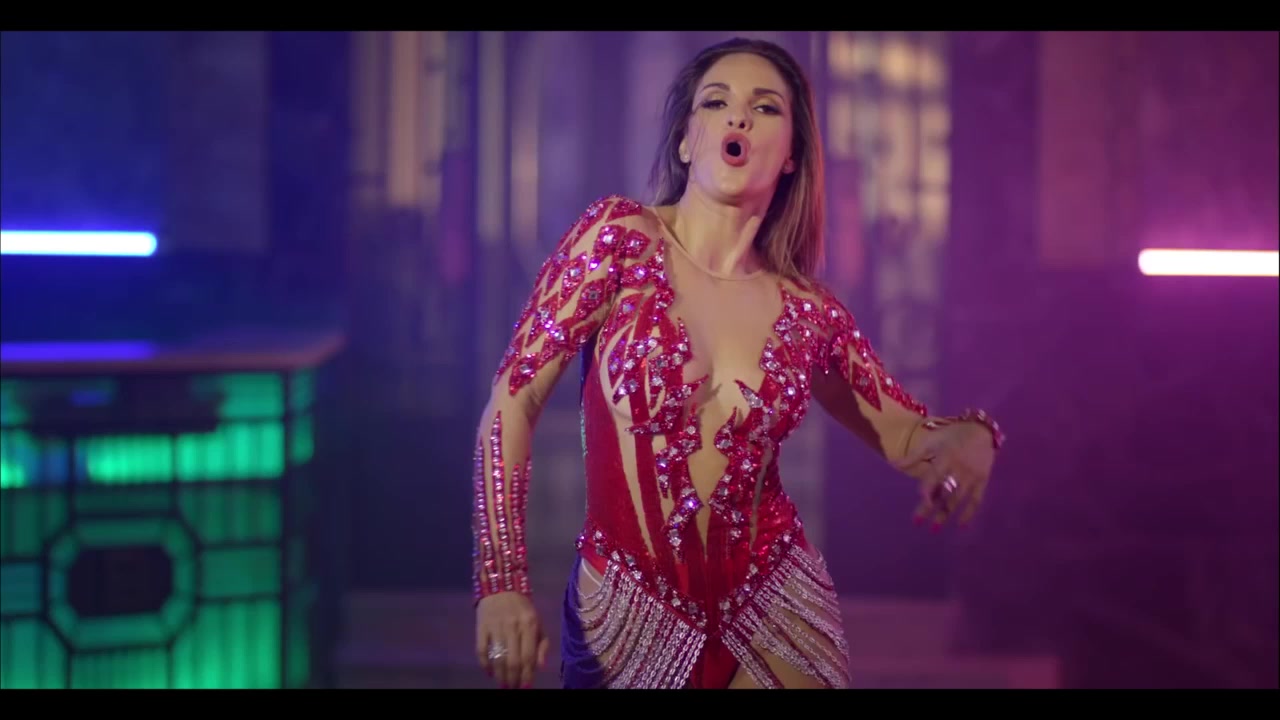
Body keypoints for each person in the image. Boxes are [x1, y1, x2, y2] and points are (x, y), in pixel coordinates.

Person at [470, 36, 1004, 690]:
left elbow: (911, 434)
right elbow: (514, 399)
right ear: (686, 141)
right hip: (627, 608)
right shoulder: (618, 242)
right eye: (716, 102)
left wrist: (973, 436)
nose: (739, 118)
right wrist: (501, 581)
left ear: (792, 155)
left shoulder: (809, 311)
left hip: (777, 606)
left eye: (765, 107)